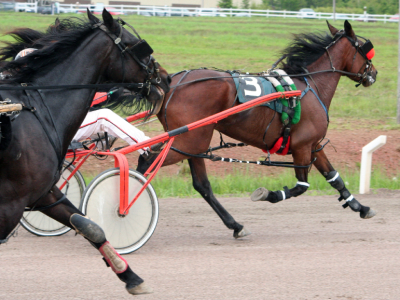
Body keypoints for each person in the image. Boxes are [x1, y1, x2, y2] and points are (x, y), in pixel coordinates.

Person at [15, 48, 162, 160]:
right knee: (103, 117)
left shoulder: (26, 87)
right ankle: (147, 147)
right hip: (53, 133)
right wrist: (109, 95)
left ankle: (103, 142)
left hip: (46, 131)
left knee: (98, 118)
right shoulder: (36, 87)